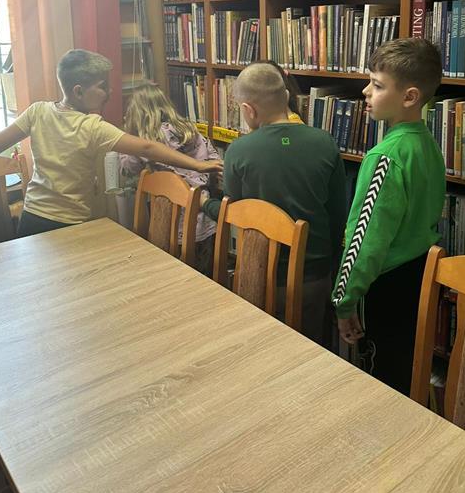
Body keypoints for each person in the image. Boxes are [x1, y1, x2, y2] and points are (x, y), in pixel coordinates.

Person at [0, 50, 222, 237]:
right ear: (78, 91)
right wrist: (198, 165)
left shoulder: (37, 111)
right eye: (102, 86)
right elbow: (147, 148)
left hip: (32, 217)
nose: (110, 92)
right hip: (70, 224)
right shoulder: (92, 126)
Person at [202, 62, 348, 344]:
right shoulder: (325, 142)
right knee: (311, 348)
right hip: (313, 275)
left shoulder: (239, 150)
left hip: (262, 272)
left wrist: (205, 204)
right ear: (286, 97)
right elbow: (337, 214)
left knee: (264, 348)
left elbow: (235, 213)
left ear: (249, 110)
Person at [332, 38, 445, 394]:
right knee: (403, 368)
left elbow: (364, 240)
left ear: (409, 97)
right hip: (420, 274)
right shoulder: (426, 144)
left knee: (378, 376)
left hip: (385, 283)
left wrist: (344, 301)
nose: (366, 92)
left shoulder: (385, 158)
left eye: (377, 85)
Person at [119, 82, 220, 276]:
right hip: (203, 217)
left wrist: (128, 135)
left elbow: (128, 167)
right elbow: (214, 159)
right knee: (201, 273)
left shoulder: (145, 140)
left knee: (171, 273)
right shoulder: (190, 130)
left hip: (169, 221)